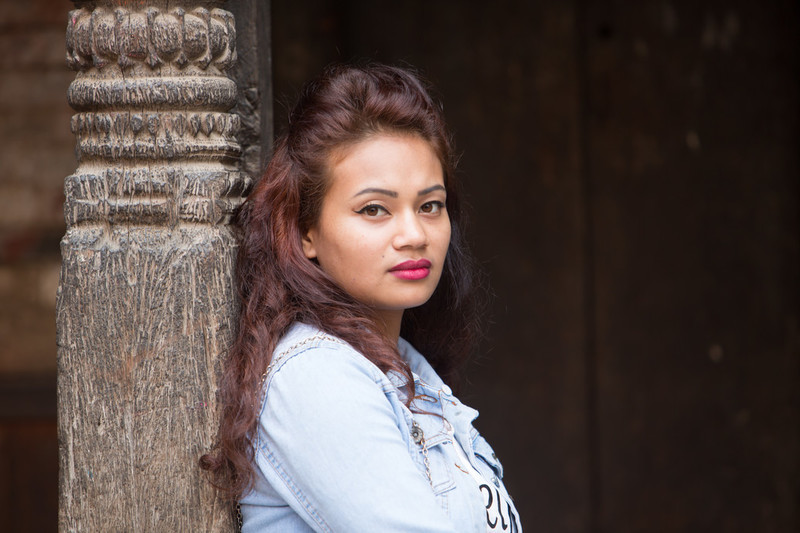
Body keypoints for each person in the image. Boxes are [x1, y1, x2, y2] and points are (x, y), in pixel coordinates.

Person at [201, 63, 522, 532]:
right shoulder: (316, 376)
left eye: (430, 205)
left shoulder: (402, 367)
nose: (414, 234)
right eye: (375, 209)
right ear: (306, 231)